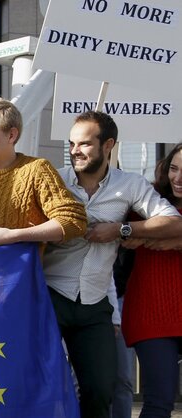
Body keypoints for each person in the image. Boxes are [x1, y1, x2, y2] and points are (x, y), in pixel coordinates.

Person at [42, 112, 181, 418]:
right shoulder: (52, 178)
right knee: (45, 384)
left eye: (84, 144)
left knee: (102, 390)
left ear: (108, 145)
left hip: (95, 305)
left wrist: (121, 230)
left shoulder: (130, 184)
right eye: (71, 143)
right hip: (49, 295)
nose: (75, 150)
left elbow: (173, 221)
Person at [0, 98, 87, 251]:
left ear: (11, 135)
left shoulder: (37, 170)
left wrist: (15, 235)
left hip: (17, 273)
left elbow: (73, 221)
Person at [121, 142, 182, 418]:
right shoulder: (147, 202)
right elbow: (125, 229)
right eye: (174, 168)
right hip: (152, 312)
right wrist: (157, 234)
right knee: (159, 401)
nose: (177, 178)